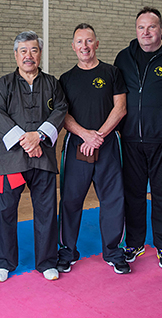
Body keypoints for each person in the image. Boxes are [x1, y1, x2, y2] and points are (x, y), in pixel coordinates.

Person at [114, 6, 162, 267]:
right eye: (141, 27)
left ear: (161, 29)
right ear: (136, 30)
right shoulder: (123, 58)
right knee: (133, 194)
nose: (146, 32)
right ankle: (134, 243)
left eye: (151, 27)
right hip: (130, 139)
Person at [0, 31, 67, 282]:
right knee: (4, 211)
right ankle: (3, 262)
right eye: (23, 51)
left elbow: (60, 110)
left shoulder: (52, 83)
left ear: (40, 53)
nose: (28, 56)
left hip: (43, 157)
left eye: (33, 50)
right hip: (11, 159)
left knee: (46, 210)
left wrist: (40, 136)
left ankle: (46, 262)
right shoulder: (4, 84)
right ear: (15, 55)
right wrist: (26, 140)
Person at [57, 24, 130, 274]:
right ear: (73, 46)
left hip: (107, 144)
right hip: (77, 145)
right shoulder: (65, 79)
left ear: (96, 44)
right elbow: (62, 114)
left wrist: (99, 135)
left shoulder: (111, 73)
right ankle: (67, 250)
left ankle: (113, 251)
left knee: (113, 199)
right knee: (70, 199)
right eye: (79, 42)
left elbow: (120, 108)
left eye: (89, 41)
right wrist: (85, 134)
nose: (84, 47)